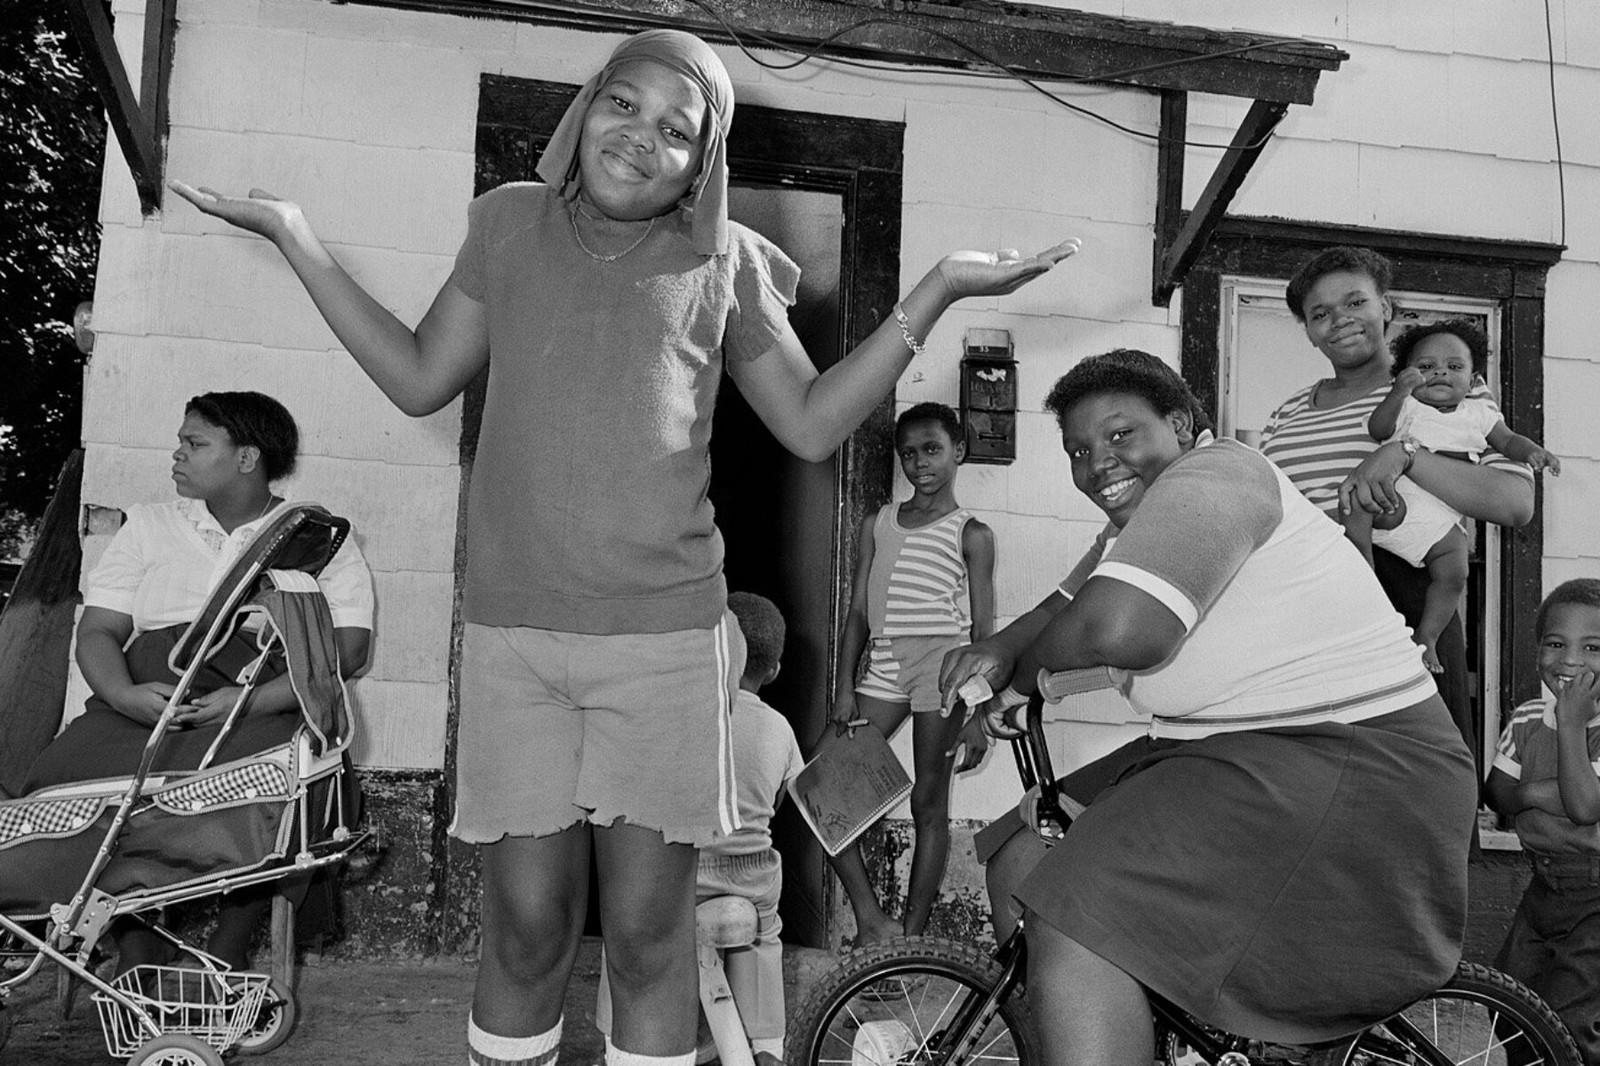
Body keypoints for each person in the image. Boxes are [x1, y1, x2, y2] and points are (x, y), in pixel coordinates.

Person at [169, 28, 1077, 1066]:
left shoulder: (722, 262)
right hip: (516, 645)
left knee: (649, 937)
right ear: (586, 106)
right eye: (624, 104)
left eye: (678, 131)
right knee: (525, 930)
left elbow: (814, 422)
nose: (642, 136)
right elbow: (419, 376)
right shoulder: (508, 225)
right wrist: (296, 237)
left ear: (703, 165)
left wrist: (938, 289)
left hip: (662, 647)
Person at [940, 349, 1476, 1064]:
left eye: (1120, 434)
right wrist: (998, 649)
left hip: (1353, 758)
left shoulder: (1221, 473)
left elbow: (1121, 628)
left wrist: (1022, 684)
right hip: (1234, 750)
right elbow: (1063, 605)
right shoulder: (1135, 529)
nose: (1097, 463)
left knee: (1072, 910)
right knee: (1020, 856)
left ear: (1181, 424)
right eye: (1077, 450)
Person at [23, 390, 374, 973]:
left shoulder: (313, 537)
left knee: (276, 783)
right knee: (70, 775)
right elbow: (99, 631)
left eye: (195, 443)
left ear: (246, 458)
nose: (177, 455)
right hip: (144, 701)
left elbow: (349, 650)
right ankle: (137, 947)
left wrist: (250, 700)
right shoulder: (150, 526)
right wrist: (123, 695)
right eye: (181, 442)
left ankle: (223, 956)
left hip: (260, 700)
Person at [1260, 245, 1534, 771]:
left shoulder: (1445, 385)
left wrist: (1404, 455)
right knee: (1316, 775)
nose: (1341, 320)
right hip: (1309, 606)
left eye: (1355, 302)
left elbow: (1515, 504)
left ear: (1385, 307)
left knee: (1422, 775)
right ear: (1309, 332)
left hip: (1407, 593)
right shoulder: (1286, 413)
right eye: (1320, 313)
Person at [596, 591, 803, 1066]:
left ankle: (614, 1039)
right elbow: (778, 803)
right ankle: (767, 1046)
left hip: (685, 874)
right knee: (766, 934)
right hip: (750, 875)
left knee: (626, 926)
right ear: (773, 671)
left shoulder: (679, 713)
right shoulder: (780, 728)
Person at [826, 402, 994, 945]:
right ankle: (873, 922)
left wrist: (979, 714)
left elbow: (983, 634)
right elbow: (857, 611)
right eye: (908, 454)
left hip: (941, 673)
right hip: (882, 667)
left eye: (932, 450)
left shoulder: (972, 533)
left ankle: (910, 940)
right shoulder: (878, 523)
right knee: (820, 788)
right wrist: (844, 687)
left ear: (958, 451)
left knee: (928, 804)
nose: (919, 463)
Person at [1343, 319, 1559, 673]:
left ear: (1473, 382)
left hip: (1441, 519)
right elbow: (1378, 430)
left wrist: (1533, 451)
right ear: (1406, 376)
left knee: (1455, 573)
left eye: (1454, 367)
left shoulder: (1480, 413)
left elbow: (1507, 441)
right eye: (1426, 367)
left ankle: (1427, 637)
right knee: (1359, 499)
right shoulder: (1408, 406)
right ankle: (1361, 561)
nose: (1440, 372)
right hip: (1399, 499)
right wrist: (1398, 393)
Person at [1485, 578, 1600, 1065]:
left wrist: (1572, 723)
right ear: (1537, 652)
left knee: (1573, 1018)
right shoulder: (1528, 718)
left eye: (1592, 647)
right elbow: (1497, 792)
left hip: (1595, 894)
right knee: (1511, 1002)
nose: (1570, 660)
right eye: (1555, 643)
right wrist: (1537, 793)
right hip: (1543, 887)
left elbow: (1584, 807)